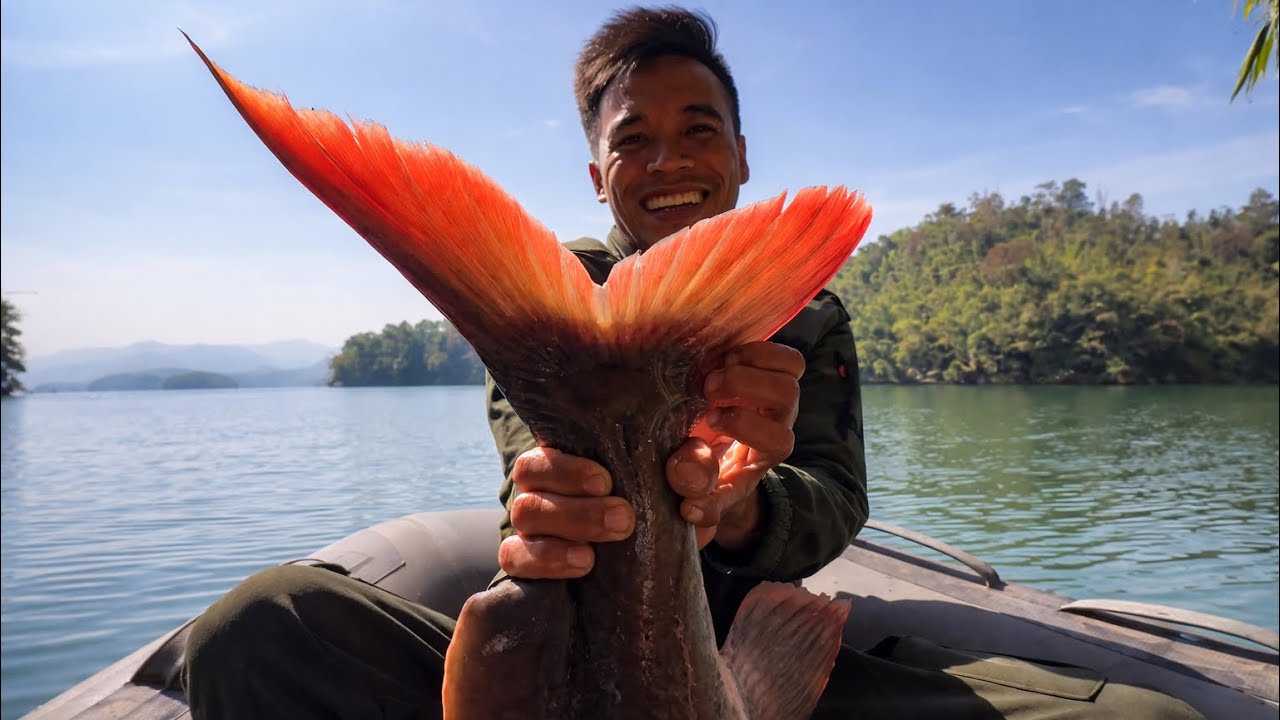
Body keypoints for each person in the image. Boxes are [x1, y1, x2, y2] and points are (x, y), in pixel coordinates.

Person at [183, 7, 1205, 719]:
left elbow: (834, 501)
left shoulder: (807, 310)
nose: (668, 161)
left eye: (696, 129)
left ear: (741, 156)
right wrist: (572, 481)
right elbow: (522, 456)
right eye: (635, 140)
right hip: (572, 627)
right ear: (597, 175)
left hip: (748, 622)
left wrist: (738, 505)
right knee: (255, 628)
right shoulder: (558, 293)